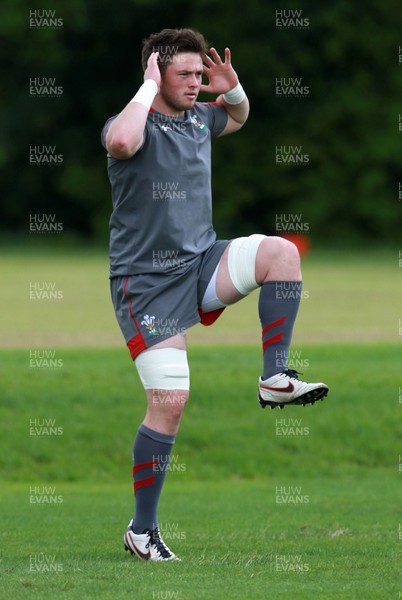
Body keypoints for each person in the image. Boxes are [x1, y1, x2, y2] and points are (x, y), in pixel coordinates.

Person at [101, 28, 328, 562]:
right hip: (146, 285)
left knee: (282, 254)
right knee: (170, 404)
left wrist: (234, 87)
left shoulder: (201, 118)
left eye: (200, 75)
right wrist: (145, 88)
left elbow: (241, 116)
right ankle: (142, 531)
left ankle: (275, 378)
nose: (197, 83)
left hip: (201, 263)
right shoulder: (128, 122)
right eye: (185, 74)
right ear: (155, 75)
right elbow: (121, 144)